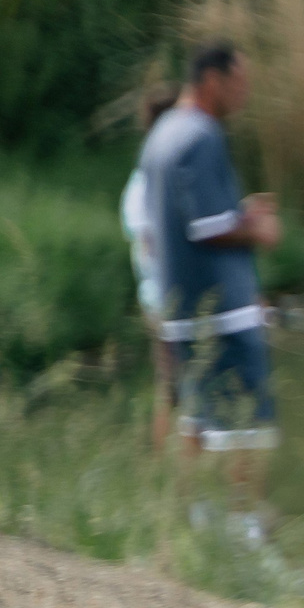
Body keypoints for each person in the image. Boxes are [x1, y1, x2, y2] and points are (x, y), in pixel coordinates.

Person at [139, 41, 282, 539]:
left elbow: (183, 223)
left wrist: (238, 216)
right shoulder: (202, 135)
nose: (245, 94)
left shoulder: (162, 134)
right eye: (240, 82)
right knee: (247, 425)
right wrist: (258, 228)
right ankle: (245, 539)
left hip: (182, 312)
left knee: (197, 422)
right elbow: (208, 227)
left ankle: (192, 527)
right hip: (221, 313)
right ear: (213, 81)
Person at [119, 83, 183, 452]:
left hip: (162, 299)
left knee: (176, 389)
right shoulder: (145, 184)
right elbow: (152, 247)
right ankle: (165, 471)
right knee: (173, 390)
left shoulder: (149, 180)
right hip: (164, 301)